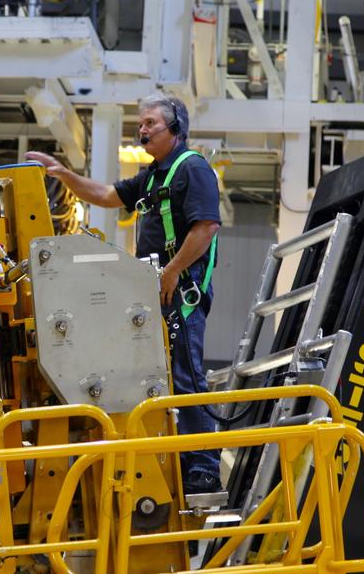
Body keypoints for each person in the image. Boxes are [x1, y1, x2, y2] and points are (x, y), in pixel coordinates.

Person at [26, 93, 223, 494]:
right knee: (158, 379)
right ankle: (174, 460)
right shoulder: (151, 177)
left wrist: (172, 272)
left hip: (180, 291)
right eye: (142, 122)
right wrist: (62, 173)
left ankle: (202, 467)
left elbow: (205, 228)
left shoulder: (193, 169)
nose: (143, 128)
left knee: (186, 378)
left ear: (175, 129)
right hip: (154, 290)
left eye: (151, 122)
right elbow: (103, 196)